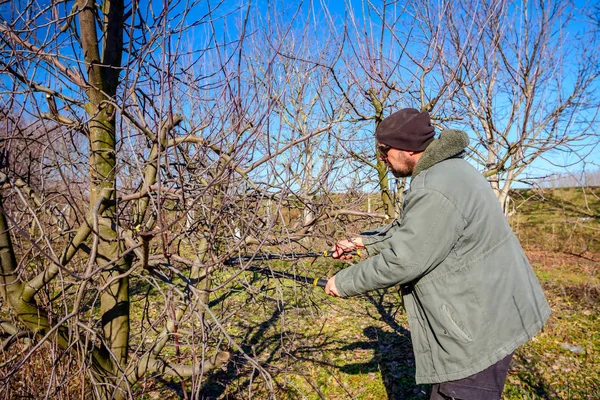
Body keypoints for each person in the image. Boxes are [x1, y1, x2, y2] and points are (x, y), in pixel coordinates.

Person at [324, 108, 550, 400]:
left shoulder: (435, 186)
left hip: (476, 329)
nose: (382, 159)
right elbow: (417, 230)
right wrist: (362, 242)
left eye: (383, 151)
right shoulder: (452, 170)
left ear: (405, 148)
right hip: (494, 307)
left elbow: (403, 260)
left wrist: (342, 282)